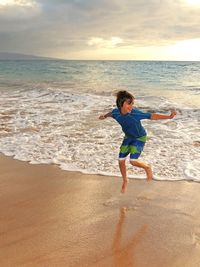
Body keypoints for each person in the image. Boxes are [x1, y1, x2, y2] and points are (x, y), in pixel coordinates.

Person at [99, 90, 177, 193]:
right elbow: (110, 114)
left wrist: (169, 117)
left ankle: (147, 167)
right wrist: (104, 116)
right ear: (121, 104)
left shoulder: (135, 113)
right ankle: (125, 180)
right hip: (128, 137)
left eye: (132, 104)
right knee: (121, 160)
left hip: (140, 137)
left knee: (133, 161)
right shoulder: (115, 112)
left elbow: (152, 116)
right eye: (129, 103)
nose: (131, 106)